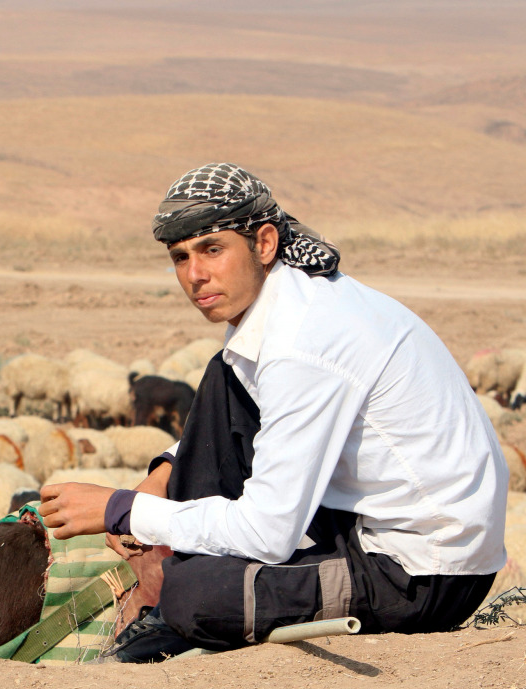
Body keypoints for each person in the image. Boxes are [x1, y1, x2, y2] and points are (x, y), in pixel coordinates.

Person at [39, 162, 507, 663]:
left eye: (212, 250)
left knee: (194, 596)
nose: (195, 275)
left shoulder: (303, 341)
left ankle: (171, 595)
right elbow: (242, 420)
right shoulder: (285, 306)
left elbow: (269, 530)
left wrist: (123, 509)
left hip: (422, 569)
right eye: (180, 257)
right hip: (370, 517)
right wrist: (163, 476)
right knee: (226, 376)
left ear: (264, 244)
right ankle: (178, 567)